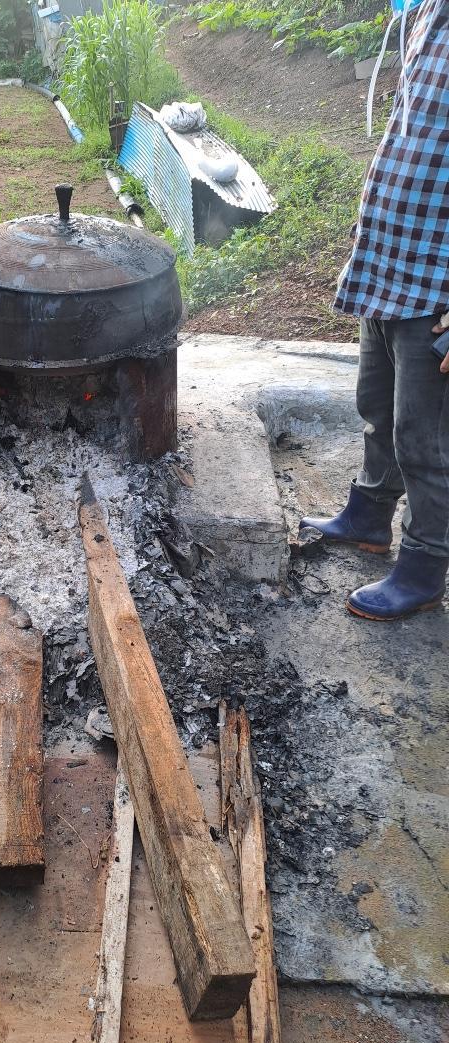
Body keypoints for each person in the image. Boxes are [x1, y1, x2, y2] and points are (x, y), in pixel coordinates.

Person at [301, 0, 449, 621]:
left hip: (437, 286)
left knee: (426, 440)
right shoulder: (426, 14)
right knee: (376, 407)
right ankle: (370, 513)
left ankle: (424, 565)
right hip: (392, 263)